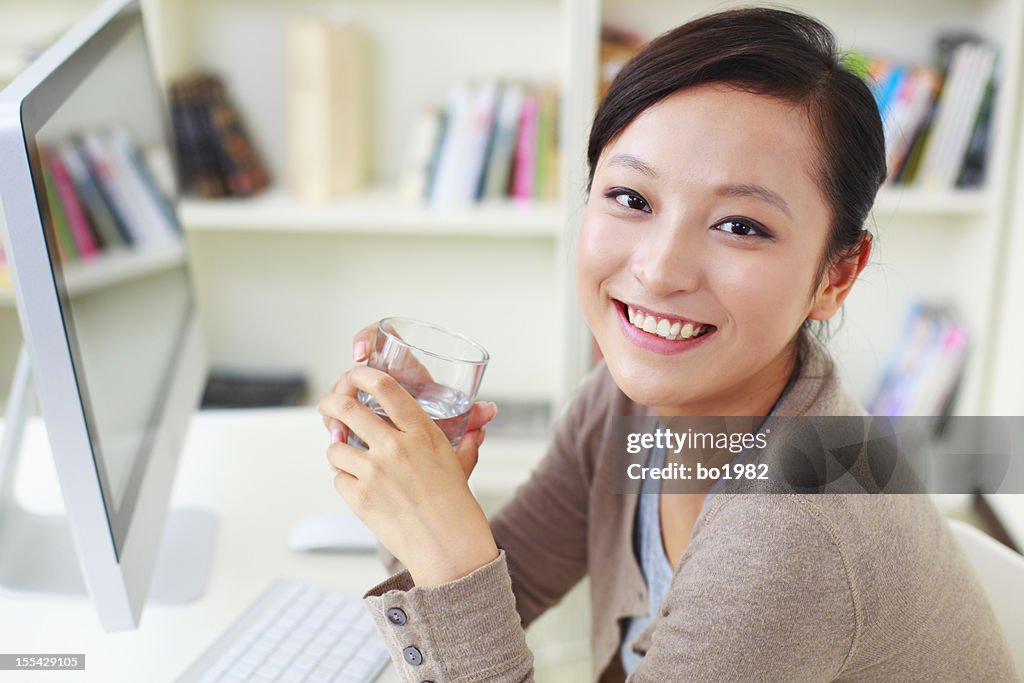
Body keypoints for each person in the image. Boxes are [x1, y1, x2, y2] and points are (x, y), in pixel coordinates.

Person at [317, 7, 1019, 681]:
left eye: (741, 225)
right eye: (632, 198)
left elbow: (463, 595)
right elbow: (502, 590)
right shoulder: (626, 407)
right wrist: (417, 494)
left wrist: (444, 546)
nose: (658, 270)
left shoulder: (793, 535)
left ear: (837, 274)